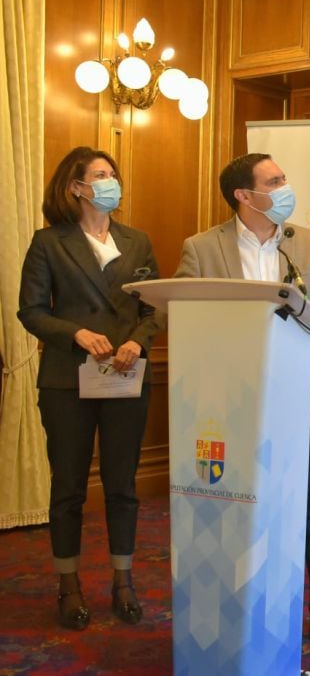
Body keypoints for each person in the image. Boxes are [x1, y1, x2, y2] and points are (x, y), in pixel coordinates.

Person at [173, 153, 310, 651]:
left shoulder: (304, 241)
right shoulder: (202, 247)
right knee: (239, 507)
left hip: (301, 401)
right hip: (231, 404)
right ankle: (237, 610)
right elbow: (180, 309)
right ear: (245, 196)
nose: (286, 187)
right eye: (275, 181)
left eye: (284, 178)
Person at [18, 147, 161, 630]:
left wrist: (138, 345)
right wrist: (75, 333)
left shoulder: (136, 241)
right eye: (100, 175)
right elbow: (32, 311)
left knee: (123, 487)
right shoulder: (48, 242)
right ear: (76, 187)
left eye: (113, 174)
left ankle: (123, 581)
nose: (110, 181)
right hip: (66, 380)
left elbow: (153, 310)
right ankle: (69, 585)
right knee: (69, 489)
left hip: (125, 376)